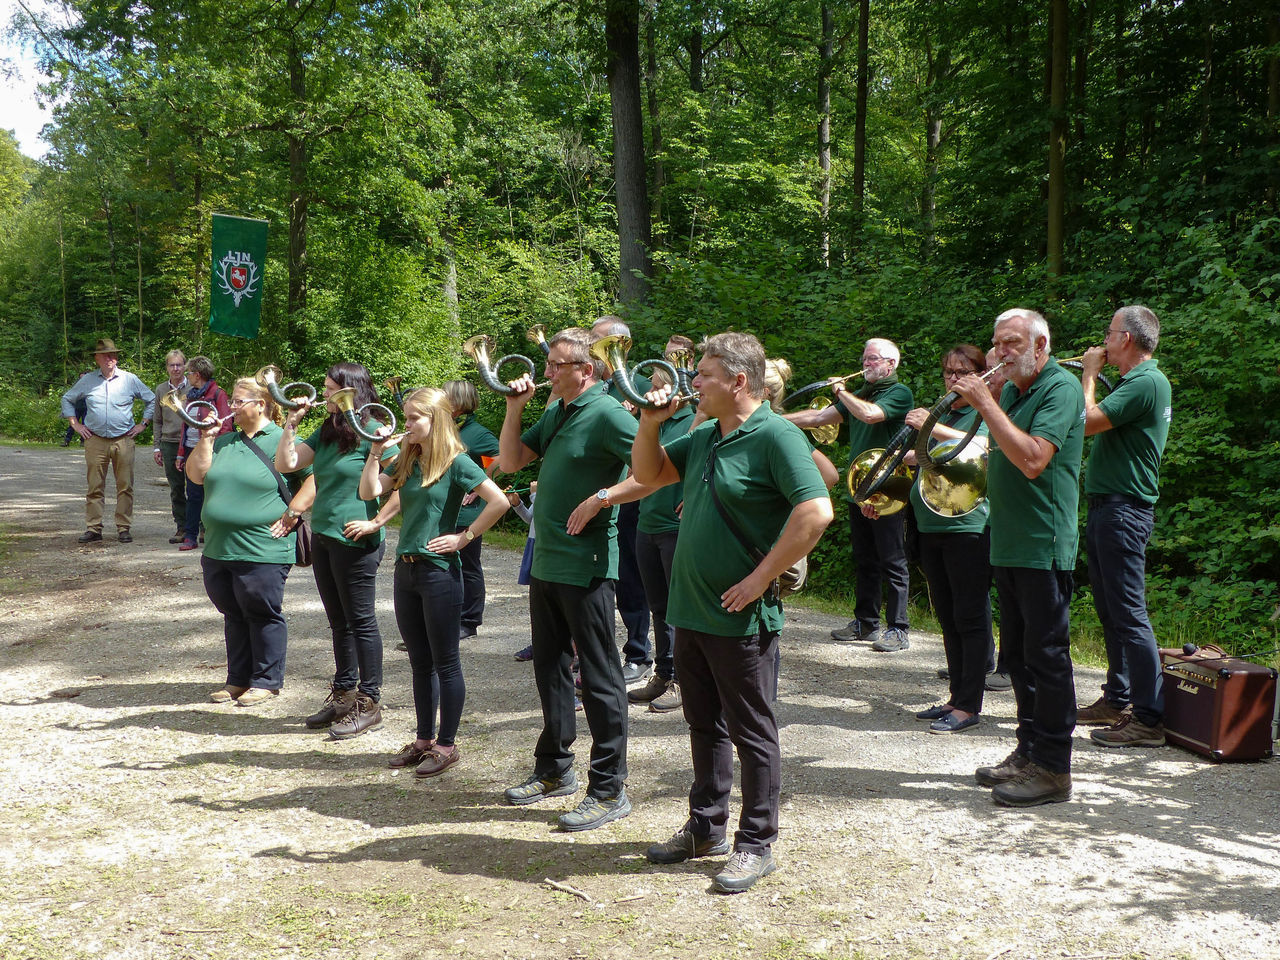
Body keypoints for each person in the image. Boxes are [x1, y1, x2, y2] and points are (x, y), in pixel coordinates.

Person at [632, 332, 832, 893]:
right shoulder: (704, 437)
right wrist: (650, 421)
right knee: (703, 725)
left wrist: (760, 577)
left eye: (705, 375)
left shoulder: (776, 436)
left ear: (739, 381)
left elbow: (817, 511)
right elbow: (648, 475)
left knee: (752, 731)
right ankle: (705, 828)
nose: (693, 382)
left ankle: (755, 842)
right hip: (691, 612)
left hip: (742, 618)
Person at [497, 326, 649, 832]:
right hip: (548, 562)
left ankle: (608, 789)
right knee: (551, 667)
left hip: (587, 566)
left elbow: (654, 469)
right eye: (550, 364)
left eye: (557, 365)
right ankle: (553, 771)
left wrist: (603, 498)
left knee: (602, 677)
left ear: (586, 370)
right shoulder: (557, 411)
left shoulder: (606, 412)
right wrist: (514, 407)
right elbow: (512, 461)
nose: (547, 371)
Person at [952, 309, 1084, 806]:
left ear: (1041, 345)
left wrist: (984, 401)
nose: (1002, 352)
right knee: (1021, 659)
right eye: (997, 343)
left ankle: (1054, 767)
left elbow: (1032, 460)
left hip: (1042, 543)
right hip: (1007, 540)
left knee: (1048, 657)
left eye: (1013, 342)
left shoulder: (1059, 387)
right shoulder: (1013, 389)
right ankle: (1028, 751)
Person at [359, 387, 509, 777]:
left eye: (413, 419)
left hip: (440, 573)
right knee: (418, 662)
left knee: (445, 663)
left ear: (435, 420)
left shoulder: (457, 462)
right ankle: (423, 740)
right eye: (405, 418)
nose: (406, 425)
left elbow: (499, 502)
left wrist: (465, 536)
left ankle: (446, 745)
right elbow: (368, 491)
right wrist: (376, 451)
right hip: (405, 570)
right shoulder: (410, 457)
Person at [276, 362, 399, 740]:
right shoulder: (329, 429)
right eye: (326, 388)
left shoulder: (374, 429)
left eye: (331, 389)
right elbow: (288, 463)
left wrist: (375, 523)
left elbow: (404, 481)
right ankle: (344, 694)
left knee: (361, 622)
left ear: (352, 391)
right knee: (338, 622)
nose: (325, 394)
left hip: (355, 540)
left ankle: (370, 701)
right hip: (326, 536)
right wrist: (291, 424)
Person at [1076, 305, 1172, 748]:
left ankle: (1149, 718)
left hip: (1124, 511)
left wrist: (1090, 374)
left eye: (1109, 334)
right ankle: (1117, 698)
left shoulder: (1147, 381)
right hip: (1108, 509)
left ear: (1127, 339)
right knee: (1110, 608)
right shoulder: (1136, 382)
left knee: (1130, 613)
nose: (1103, 342)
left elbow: (1088, 422)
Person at [185, 378, 312, 707]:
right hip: (219, 547)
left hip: (263, 546)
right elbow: (196, 476)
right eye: (234, 401)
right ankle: (237, 679)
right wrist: (206, 439)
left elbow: (313, 480)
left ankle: (267, 680)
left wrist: (293, 513)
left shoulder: (280, 439)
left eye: (240, 401)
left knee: (261, 610)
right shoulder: (224, 441)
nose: (233, 407)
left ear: (262, 405)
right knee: (232, 611)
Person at [784, 339, 913, 651]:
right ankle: (865, 623)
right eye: (864, 359)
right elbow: (817, 418)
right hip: (860, 487)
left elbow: (870, 416)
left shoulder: (899, 392)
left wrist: (842, 391)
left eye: (872, 360)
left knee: (892, 560)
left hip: (889, 488)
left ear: (890, 365)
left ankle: (899, 628)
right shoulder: (863, 394)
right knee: (864, 559)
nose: (865, 364)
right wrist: (770, 421)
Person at [905, 345, 994, 735]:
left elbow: (983, 446)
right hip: (931, 526)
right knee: (947, 617)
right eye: (947, 373)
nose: (953, 379)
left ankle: (969, 705)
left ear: (979, 374)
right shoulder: (949, 413)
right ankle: (956, 698)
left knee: (970, 617)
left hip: (968, 528)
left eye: (962, 372)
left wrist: (930, 427)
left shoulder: (984, 411)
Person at [627, 357, 697, 713]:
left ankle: (684, 681)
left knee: (679, 609)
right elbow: (637, 471)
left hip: (675, 528)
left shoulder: (693, 421)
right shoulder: (654, 423)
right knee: (658, 606)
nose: (652, 393)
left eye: (658, 387)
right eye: (652, 386)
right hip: (647, 524)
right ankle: (663, 673)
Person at [591, 315, 652, 685]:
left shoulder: (641, 384)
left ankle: (639, 653)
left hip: (631, 498)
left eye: (596, 342)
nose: (589, 348)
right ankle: (596, 654)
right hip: (599, 495)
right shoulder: (595, 387)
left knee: (632, 578)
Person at [60, 338, 155, 544]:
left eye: (112, 354)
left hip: (124, 439)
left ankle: (123, 527)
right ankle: (94, 528)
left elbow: (152, 399)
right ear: (97, 358)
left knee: (125, 485)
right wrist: (75, 424)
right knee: (94, 486)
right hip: (95, 440)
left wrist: (143, 424)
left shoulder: (129, 379)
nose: (109, 358)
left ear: (117, 357)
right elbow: (67, 399)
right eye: (104, 355)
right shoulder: (87, 381)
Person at [444, 380, 500, 640]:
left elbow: (503, 461)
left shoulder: (477, 433)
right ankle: (444, 621)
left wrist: (479, 486)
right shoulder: (444, 428)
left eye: (445, 396)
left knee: (467, 566)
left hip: (468, 514)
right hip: (443, 511)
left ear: (457, 403)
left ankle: (469, 621)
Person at [176, 356, 232, 551]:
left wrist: (216, 450)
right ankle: (190, 536)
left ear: (197, 375)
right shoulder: (190, 395)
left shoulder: (218, 394)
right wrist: (181, 454)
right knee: (193, 494)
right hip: (192, 449)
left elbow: (226, 425)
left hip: (211, 449)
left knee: (212, 494)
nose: (187, 376)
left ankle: (212, 534)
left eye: (189, 373)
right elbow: (186, 427)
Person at [152, 350, 189, 543]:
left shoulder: (193, 387)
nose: (175, 368)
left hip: (191, 443)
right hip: (169, 443)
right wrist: (157, 447)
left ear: (185, 366)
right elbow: (157, 421)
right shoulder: (160, 390)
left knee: (197, 486)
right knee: (176, 487)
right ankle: (181, 527)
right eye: (171, 365)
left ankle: (199, 527)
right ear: (167, 367)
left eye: (179, 365)